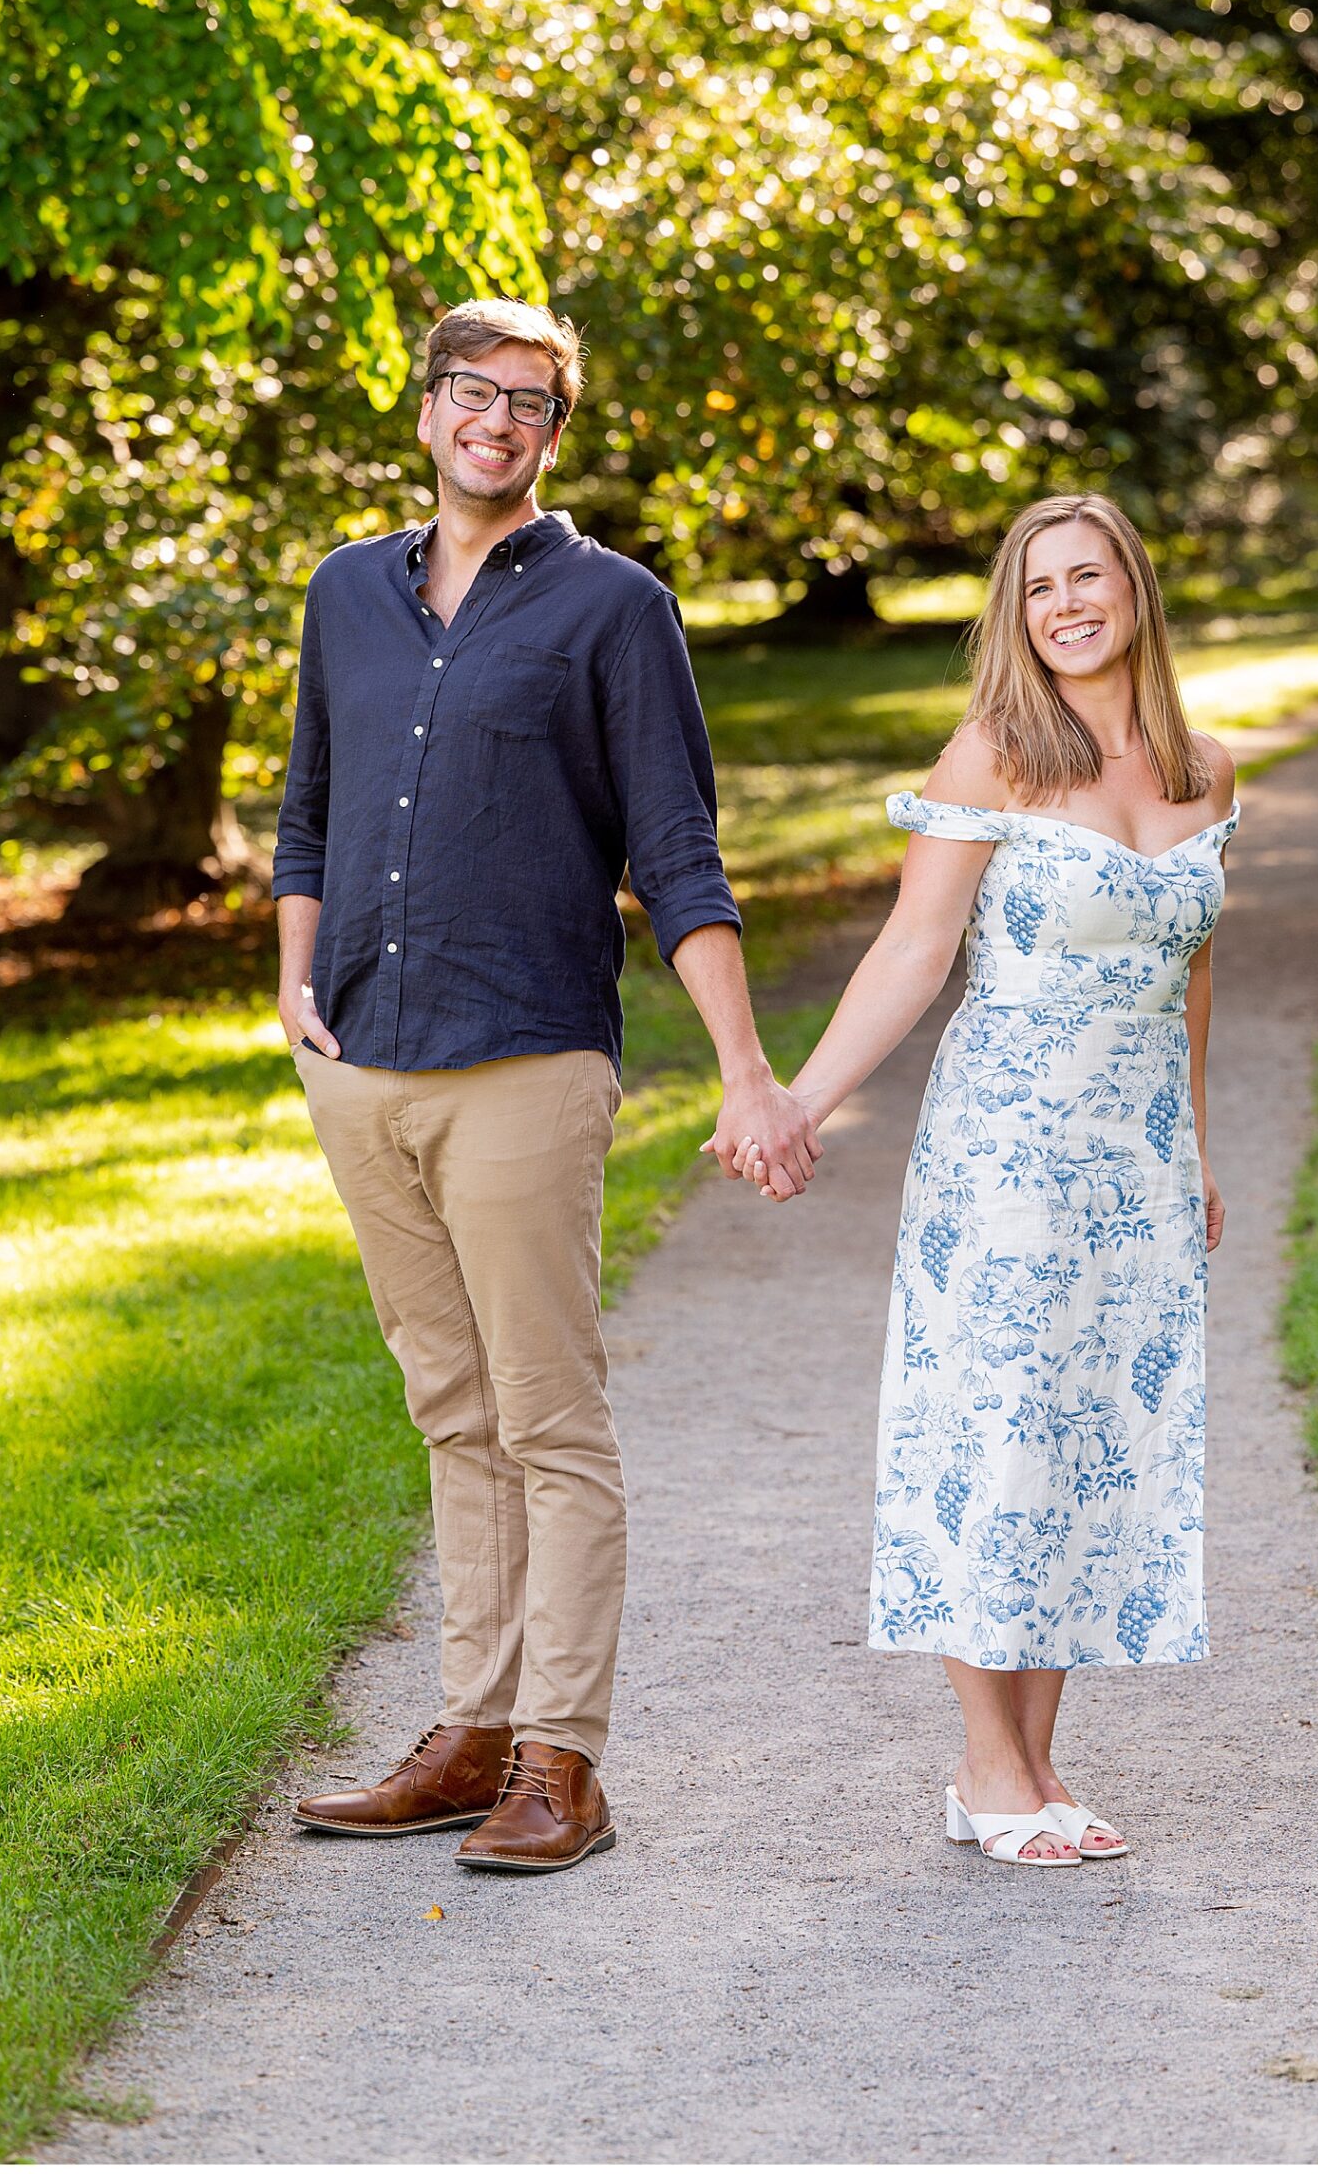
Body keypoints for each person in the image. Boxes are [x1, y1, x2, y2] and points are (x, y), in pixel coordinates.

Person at [272, 297, 817, 1875]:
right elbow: (307, 805)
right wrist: (293, 986)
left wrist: (745, 1069)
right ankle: (469, 1734)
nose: (497, 420)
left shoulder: (612, 608)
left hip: (524, 1057)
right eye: (473, 390)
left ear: (553, 436)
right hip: (361, 1064)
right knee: (451, 1411)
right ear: (428, 404)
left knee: (547, 1419)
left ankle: (561, 1759)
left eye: (531, 402)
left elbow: (679, 854)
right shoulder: (344, 594)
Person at [737, 494, 1237, 1865]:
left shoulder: (1206, 769)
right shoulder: (995, 757)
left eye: (1087, 576)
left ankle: (1036, 1767)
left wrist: (1190, 1150)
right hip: (1008, 1144)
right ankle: (986, 1768)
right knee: (994, 1438)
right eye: (1036, 587)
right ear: (1014, 616)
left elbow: (1190, 972)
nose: (1066, 604)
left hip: (1133, 1155)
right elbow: (910, 951)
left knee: (1088, 1443)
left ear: (1133, 587)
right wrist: (794, 1099)